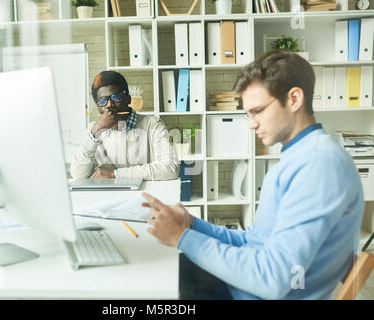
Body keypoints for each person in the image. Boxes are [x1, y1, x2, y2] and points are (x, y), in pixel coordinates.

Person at [142, 50, 365, 300]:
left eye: (257, 111)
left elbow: (272, 279)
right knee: (155, 273)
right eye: (248, 114)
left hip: (255, 294)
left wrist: (180, 237)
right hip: (244, 289)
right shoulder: (299, 156)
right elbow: (254, 242)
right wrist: (191, 225)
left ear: (294, 99)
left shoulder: (320, 165)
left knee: (147, 287)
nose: (251, 124)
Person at [70, 70, 179, 181]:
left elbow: (170, 168)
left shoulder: (152, 124)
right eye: (103, 100)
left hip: (144, 194)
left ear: (128, 99)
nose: (109, 105)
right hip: (107, 195)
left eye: (115, 98)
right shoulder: (93, 129)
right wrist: (94, 134)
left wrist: (115, 174)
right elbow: (78, 174)